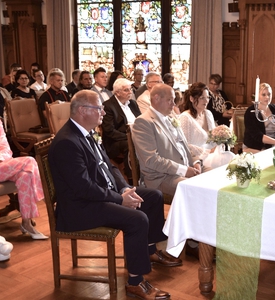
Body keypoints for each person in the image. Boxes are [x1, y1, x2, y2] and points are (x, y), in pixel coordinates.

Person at [49, 90, 180, 300]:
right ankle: (136, 282)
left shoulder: (87, 132)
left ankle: (149, 250)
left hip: (97, 196)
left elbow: (110, 167)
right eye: (99, 108)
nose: (103, 112)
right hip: (78, 208)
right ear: (83, 110)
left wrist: (124, 189)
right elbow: (83, 188)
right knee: (137, 219)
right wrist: (120, 200)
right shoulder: (67, 142)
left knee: (153, 196)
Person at [132, 83, 209, 197]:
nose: (173, 104)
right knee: (197, 189)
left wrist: (196, 162)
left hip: (185, 168)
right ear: (156, 98)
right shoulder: (144, 122)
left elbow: (184, 147)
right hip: (162, 177)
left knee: (214, 175)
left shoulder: (171, 118)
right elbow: (151, 160)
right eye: (170, 100)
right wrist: (184, 170)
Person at [0, 117, 48, 240]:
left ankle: (26, 222)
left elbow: (6, 149)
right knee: (29, 161)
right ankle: (50, 203)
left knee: (26, 175)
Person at [102, 78, 141, 177]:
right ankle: (133, 176)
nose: (130, 92)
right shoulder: (108, 106)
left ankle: (148, 172)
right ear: (117, 93)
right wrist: (129, 137)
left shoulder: (132, 103)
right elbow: (109, 131)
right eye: (126, 90)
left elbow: (141, 121)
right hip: (116, 141)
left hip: (135, 136)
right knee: (130, 145)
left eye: (130, 89)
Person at [178, 82, 216, 160]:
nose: (206, 101)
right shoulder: (185, 118)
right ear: (191, 98)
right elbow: (185, 145)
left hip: (212, 154)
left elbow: (214, 139)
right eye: (202, 98)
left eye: (208, 97)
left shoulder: (208, 114)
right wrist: (208, 151)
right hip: (196, 158)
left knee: (230, 157)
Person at [243, 82, 275, 153]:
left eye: (269, 94)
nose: (267, 97)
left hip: (274, 145)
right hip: (254, 146)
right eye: (263, 95)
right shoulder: (251, 112)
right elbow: (257, 135)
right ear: (257, 96)